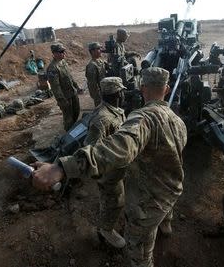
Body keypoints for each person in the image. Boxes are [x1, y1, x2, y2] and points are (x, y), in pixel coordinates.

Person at [32, 67, 188, 267]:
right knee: (131, 207)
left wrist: (61, 168)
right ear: (166, 89)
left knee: (139, 252)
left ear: (142, 88)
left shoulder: (143, 119)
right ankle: (165, 225)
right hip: (171, 189)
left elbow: (121, 147)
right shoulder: (177, 121)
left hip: (149, 202)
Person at [84, 77, 127, 248]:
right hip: (109, 172)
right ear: (117, 93)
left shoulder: (114, 111)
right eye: (122, 91)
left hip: (117, 167)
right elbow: (91, 149)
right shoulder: (102, 118)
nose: (124, 93)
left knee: (114, 199)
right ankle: (105, 230)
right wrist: (101, 176)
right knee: (115, 201)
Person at [46, 43, 82, 131]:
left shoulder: (63, 62)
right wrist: (62, 100)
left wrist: (77, 87)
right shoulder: (52, 68)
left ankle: (74, 131)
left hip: (72, 93)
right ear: (54, 53)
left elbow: (70, 77)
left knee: (76, 112)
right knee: (68, 118)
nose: (64, 53)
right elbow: (55, 87)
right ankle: (69, 134)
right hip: (65, 97)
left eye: (64, 51)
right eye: (61, 52)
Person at [85, 42, 110, 107]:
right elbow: (92, 85)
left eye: (101, 48)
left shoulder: (100, 61)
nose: (101, 50)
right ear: (92, 51)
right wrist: (98, 98)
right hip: (99, 95)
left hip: (104, 91)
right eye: (98, 48)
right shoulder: (92, 66)